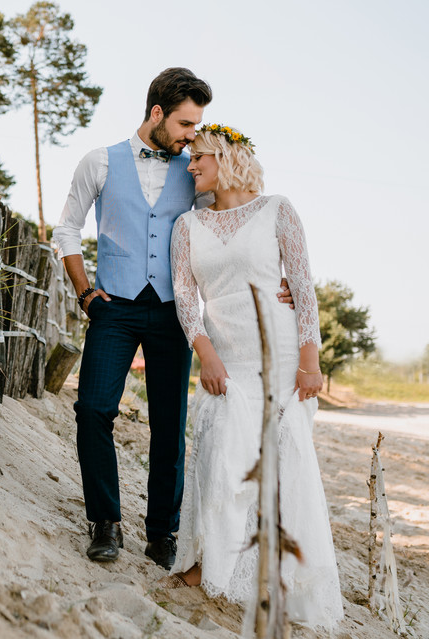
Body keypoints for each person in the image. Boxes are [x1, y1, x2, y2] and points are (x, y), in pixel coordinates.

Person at [51, 68, 292, 569]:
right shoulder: (98, 162)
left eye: (196, 125)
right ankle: (106, 522)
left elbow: (233, 222)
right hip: (112, 308)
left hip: (174, 314)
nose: (190, 135)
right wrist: (84, 292)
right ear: (156, 113)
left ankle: (163, 532)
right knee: (93, 410)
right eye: (185, 123)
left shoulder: (194, 174)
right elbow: (68, 229)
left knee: (169, 426)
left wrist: (277, 277)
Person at [167, 123, 344, 628]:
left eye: (198, 156)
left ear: (224, 156)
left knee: (285, 463)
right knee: (220, 451)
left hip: (283, 356)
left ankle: (278, 576)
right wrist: (204, 352)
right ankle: (207, 563)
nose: (191, 165)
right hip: (226, 357)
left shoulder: (277, 210)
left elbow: (303, 287)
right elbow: (186, 296)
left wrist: (311, 363)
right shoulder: (187, 226)